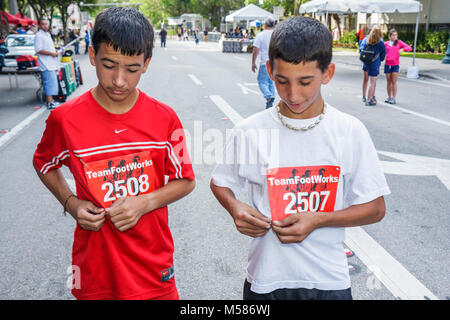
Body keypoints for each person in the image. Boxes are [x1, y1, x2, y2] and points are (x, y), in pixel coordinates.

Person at [210, 16, 390, 301]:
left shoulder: (349, 131)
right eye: (282, 81)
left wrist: (319, 219)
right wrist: (235, 208)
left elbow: (375, 207)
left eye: (305, 82)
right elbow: (221, 182)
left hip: (328, 281)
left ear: (327, 73)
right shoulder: (249, 131)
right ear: (269, 70)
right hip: (266, 281)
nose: (293, 94)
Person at [33, 7, 195, 300]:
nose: (119, 80)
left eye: (132, 69)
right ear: (92, 56)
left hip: (152, 267)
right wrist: (71, 204)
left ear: (146, 64)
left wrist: (145, 202)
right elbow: (44, 162)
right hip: (94, 267)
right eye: (109, 65)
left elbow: (185, 180)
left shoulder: (165, 119)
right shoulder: (65, 119)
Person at [34, 17, 61, 110]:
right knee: (49, 83)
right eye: (43, 24)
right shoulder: (39, 35)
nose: (45, 25)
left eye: (46, 23)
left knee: (53, 83)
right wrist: (51, 53)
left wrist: (55, 51)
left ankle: (51, 100)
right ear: (39, 25)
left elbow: (49, 47)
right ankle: (49, 102)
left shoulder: (47, 34)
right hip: (46, 64)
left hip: (51, 63)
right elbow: (38, 50)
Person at [252, 17, 276, 109]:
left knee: (262, 81)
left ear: (265, 25)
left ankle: (268, 95)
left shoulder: (260, 35)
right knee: (271, 82)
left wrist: (253, 63)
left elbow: (255, 50)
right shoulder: (276, 35)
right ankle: (271, 101)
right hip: (275, 63)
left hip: (265, 62)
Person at [384, 29, 411, 104]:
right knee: (388, 82)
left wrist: (403, 49)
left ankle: (393, 98)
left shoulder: (399, 42)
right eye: (393, 35)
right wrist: (383, 56)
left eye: (396, 35)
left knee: (394, 82)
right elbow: (381, 52)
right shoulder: (385, 44)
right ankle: (389, 97)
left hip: (395, 65)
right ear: (389, 36)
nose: (395, 36)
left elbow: (409, 48)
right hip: (387, 65)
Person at [359, 26, 385, 106]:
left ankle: (364, 96)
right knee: (373, 82)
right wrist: (379, 60)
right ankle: (369, 99)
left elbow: (361, 50)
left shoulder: (367, 41)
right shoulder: (380, 43)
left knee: (366, 80)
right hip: (374, 64)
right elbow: (383, 55)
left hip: (366, 63)